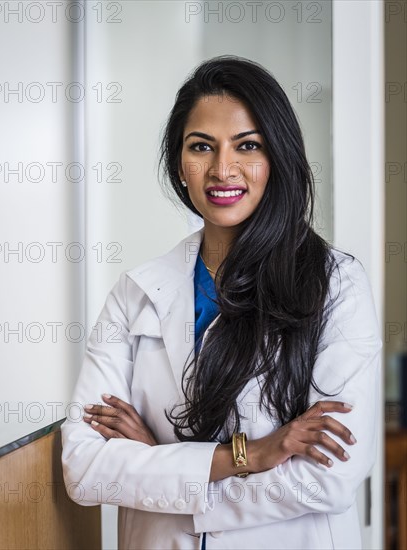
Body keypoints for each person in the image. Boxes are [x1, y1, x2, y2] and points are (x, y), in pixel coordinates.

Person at [61, 55, 382, 550]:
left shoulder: (335, 284)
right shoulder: (136, 292)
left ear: (277, 158)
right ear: (179, 166)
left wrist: (166, 468)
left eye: (247, 146)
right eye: (201, 147)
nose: (222, 169)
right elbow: (84, 470)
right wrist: (246, 456)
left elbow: (328, 478)